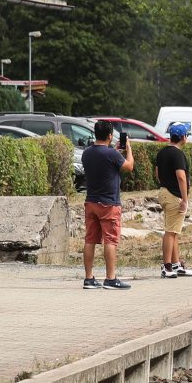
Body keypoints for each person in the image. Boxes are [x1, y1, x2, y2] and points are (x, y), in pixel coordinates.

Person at [82, 119, 134, 289]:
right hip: (109, 203)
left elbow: (102, 159)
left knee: (90, 239)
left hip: (91, 201)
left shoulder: (86, 153)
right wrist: (129, 150)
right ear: (110, 135)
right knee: (110, 240)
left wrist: (115, 151)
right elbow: (129, 166)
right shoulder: (112, 154)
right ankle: (110, 279)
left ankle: (89, 278)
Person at [154, 123, 192, 278]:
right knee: (170, 232)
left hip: (164, 192)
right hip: (174, 195)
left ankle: (176, 264)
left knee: (174, 232)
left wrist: (166, 184)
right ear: (183, 137)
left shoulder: (162, 152)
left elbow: (157, 174)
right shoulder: (177, 154)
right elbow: (181, 176)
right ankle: (166, 267)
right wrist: (184, 199)